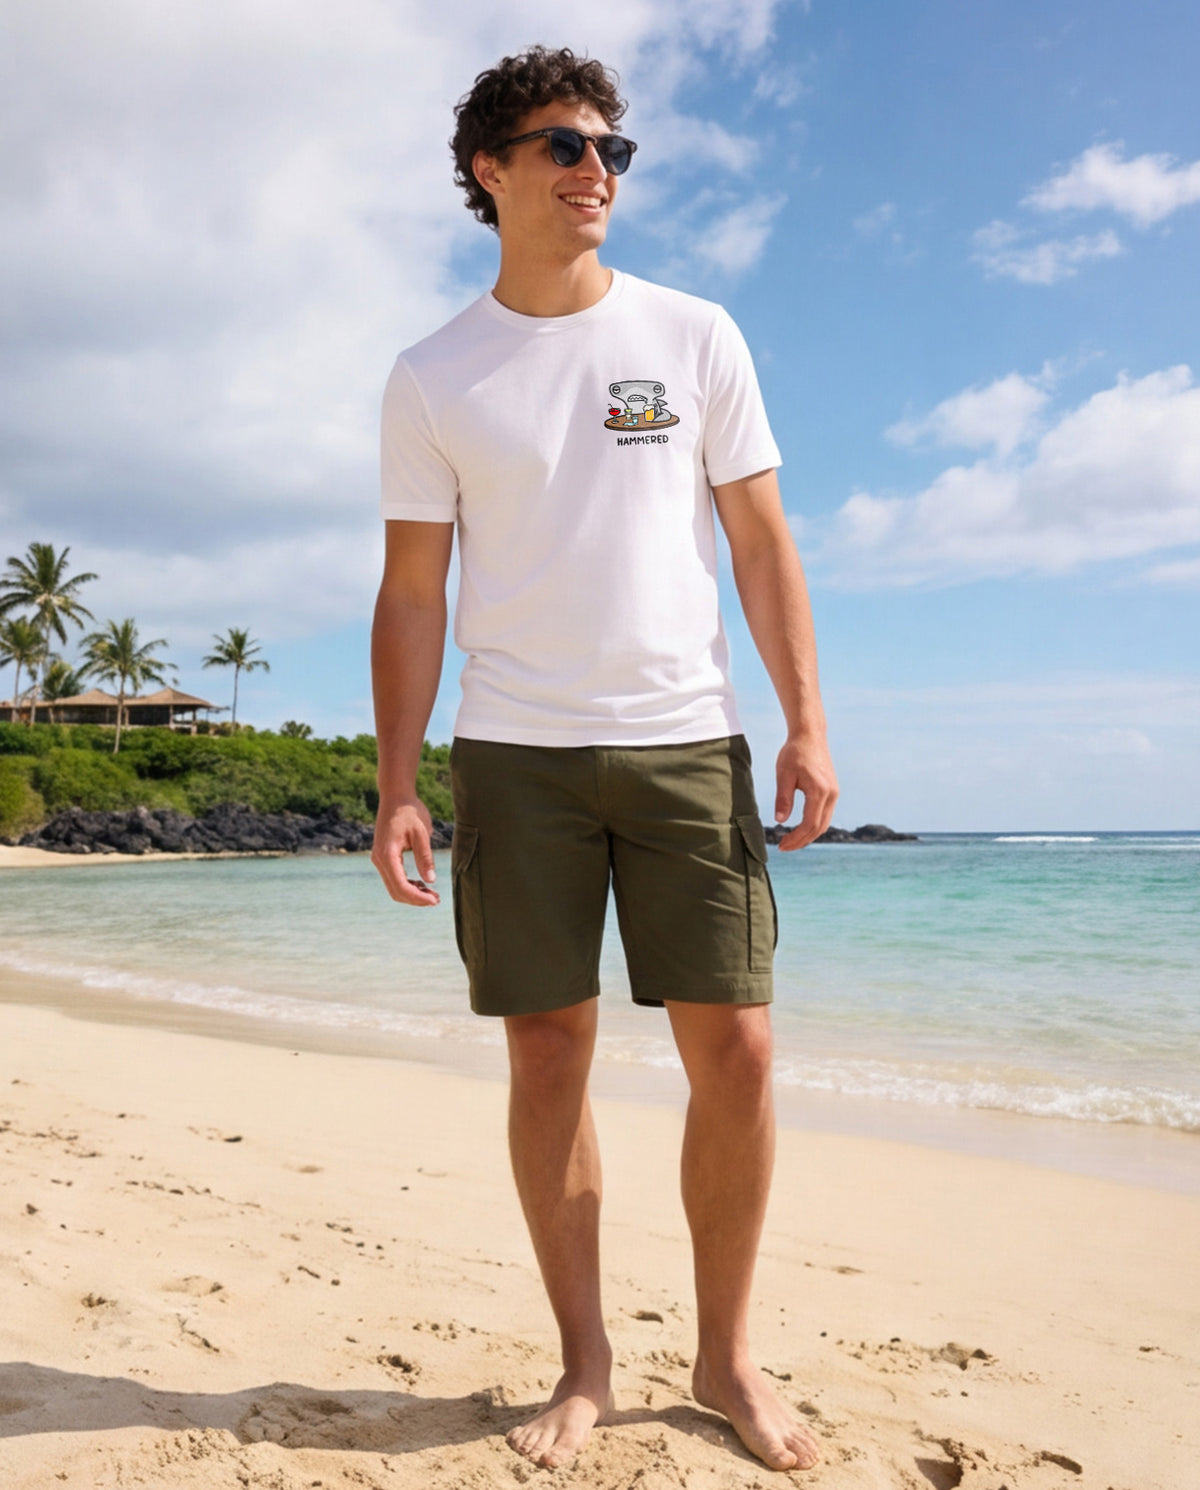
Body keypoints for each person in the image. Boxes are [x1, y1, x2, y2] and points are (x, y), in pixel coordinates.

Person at [371, 46, 837, 1474]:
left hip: (686, 739)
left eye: (613, 151)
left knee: (739, 1050)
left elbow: (759, 539)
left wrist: (806, 717)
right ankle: (585, 1361)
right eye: (565, 146)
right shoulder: (434, 374)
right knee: (549, 1054)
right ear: (490, 170)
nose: (597, 172)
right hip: (515, 754)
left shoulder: (695, 334)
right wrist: (397, 782)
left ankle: (725, 1354)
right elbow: (412, 592)